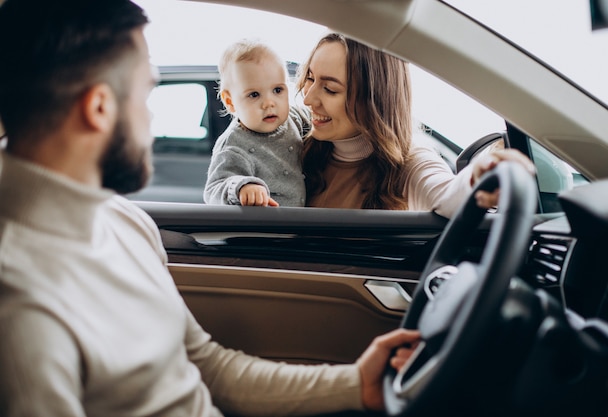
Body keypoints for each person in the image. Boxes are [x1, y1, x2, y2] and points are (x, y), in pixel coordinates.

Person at [0, 0, 421, 416]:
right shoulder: (20, 304)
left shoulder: (125, 222)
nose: (151, 117)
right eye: (147, 93)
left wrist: (355, 384)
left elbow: (208, 369)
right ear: (98, 109)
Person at [297, 33, 535, 217]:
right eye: (310, 78)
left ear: (374, 99)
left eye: (330, 89)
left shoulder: (409, 163)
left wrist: (478, 177)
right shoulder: (294, 143)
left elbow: (447, 195)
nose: (308, 98)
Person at [203, 39, 308, 207]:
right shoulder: (234, 146)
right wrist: (241, 187)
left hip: (300, 226)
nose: (269, 103)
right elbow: (214, 190)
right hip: (261, 230)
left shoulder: (294, 118)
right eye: (254, 95)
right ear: (230, 102)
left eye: (277, 90)